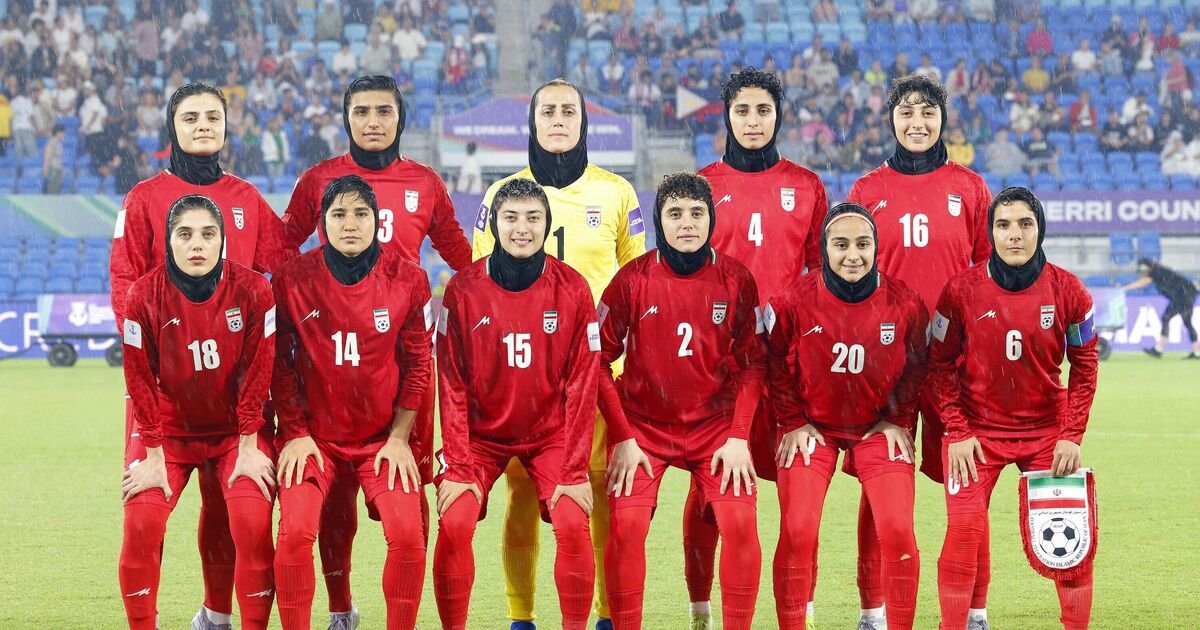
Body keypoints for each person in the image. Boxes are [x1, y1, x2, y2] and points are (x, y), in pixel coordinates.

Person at [281, 74, 473, 626]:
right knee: (333, 499)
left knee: (410, 501)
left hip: (400, 359)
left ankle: (411, 610)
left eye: (383, 111)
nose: (372, 121)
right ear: (346, 118)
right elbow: (281, 247)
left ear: (399, 118)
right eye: (361, 111)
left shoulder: (425, 182)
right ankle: (341, 609)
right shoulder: (318, 180)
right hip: (330, 358)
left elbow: (459, 255)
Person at [108, 82, 293, 630]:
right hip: (163, 399)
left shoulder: (247, 198)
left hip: (236, 401)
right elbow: (124, 286)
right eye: (190, 117)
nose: (203, 125)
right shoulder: (143, 198)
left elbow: (286, 268)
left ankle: (216, 615)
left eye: (213, 116)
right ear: (173, 127)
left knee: (231, 510)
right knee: (144, 516)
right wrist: (161, 354)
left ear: (227, 126)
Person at [471, 78, 645, 630]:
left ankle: (605, 616)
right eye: (547, 111)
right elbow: (480, 286)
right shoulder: (502, 196)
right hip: (524, 376)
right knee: (521, 494)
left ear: (584, 121)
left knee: (598, 495)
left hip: (598, 376)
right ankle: (520, 616)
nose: (558, 120)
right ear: (532, 122)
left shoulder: (616, 193)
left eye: (569, 111)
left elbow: (637, 285)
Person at [847, 74, 992, 630]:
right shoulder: (867, 190)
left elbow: (987, 278)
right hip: (887, 364)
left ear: (942, 120)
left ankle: (974, 611)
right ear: (891, 119)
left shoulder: (970, 187)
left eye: (928, 112)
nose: (917, 123)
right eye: (907, 112)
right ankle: (872, 611)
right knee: (880, 489)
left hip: (955, 363)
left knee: (969, 487)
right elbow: (849, 274)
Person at [688, 66, 828, 630]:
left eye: (763, 111)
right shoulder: (702, 185)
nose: (752, 121)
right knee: (712, 497)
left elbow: (821, 277)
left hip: (791, 365)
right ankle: (701, 611)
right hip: (721, 366)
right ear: (727, 116)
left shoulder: (808, 186)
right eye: (742, 111)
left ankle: (801, 610)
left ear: (778, 116)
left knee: (800, 500)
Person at [599, 173, 764, 629]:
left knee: (740, 525)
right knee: (626, 529)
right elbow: (597, 361)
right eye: (675, 213)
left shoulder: (737, 279)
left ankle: (714, 619)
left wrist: (739, 437)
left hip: (716, 429)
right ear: (659, 221)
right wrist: (623, 437)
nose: (687, 223)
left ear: (711, 219)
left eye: (696, 213)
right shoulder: (631, 280)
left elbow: (754, 364)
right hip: (643, 430)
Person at [932, 187, 1099, 630]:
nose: (1014, 235)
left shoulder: (1069, 290)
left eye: (1025, 224)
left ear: (1040, 229)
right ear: (990, 232)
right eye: (1003, 225)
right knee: (964, 530)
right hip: (976, 434)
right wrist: (957, 430)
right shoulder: (960, 291)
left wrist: (1071, 434)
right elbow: (939, 365)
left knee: (1070, 542)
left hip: (1047, 433)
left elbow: (1085, 364)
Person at [434, 178, 598, 630]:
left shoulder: (573, 288)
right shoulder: (462, 290)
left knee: (572, 520)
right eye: (511, 218)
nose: (522, 228)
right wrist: (459, 467)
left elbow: (583, 384)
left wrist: (574, 471)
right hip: (480, 438)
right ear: (494, 224)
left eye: (532, 218)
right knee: (455, 520)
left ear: (547, 224)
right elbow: (451, 384)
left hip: (549, 436)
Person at [271, 175, 433, 630]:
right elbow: (279, 365)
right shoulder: (291, 280)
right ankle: (336, 612)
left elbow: (418, 365)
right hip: (315, 440)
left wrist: (399, 438)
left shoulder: (408, 279)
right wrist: (296, 433)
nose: (350, 224)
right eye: (338, 214)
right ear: (322, 222)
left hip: (381, 440)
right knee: (296, 533)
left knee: (408, 535)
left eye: (361, 214)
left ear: (377, 221)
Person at [118, 195, 277, 630]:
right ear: (168, 241)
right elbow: (139, 380)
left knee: (251, 521)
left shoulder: (253, 290)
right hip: (167, 432)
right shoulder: (142, 295)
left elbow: (258, 373)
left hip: (234, 433)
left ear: (223, 239)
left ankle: (226, 621)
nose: (197, 245)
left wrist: (249, 446)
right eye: (184, 234)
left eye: (208, 234)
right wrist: (152, 455)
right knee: (142, 522)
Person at [768, 202, 929, 630]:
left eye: (862, 244)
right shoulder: (793, 300)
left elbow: (918, 362)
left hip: (877, 428)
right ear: (825, 249)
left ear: (877, 247)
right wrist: (792, 420)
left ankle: (878, 619)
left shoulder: (905, 302)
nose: (853, 255)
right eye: (841, 245)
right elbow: (772, 359)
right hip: (813, 428)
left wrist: (898, 418)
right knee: (798, 529)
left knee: (896, 528)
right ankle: (796, 621)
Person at [1123, 258, 1200, 358]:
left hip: (1183, 296)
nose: (1142, 274)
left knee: (1167, 318)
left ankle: (1159, 349)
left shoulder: (1156, 272)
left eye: (1143, 272)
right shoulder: (1158, 270)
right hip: (1185, 295)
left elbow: (1143, 283)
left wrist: (1125, 288)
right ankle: (1196, 352)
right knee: (1186, 322)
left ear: (1147, 269)